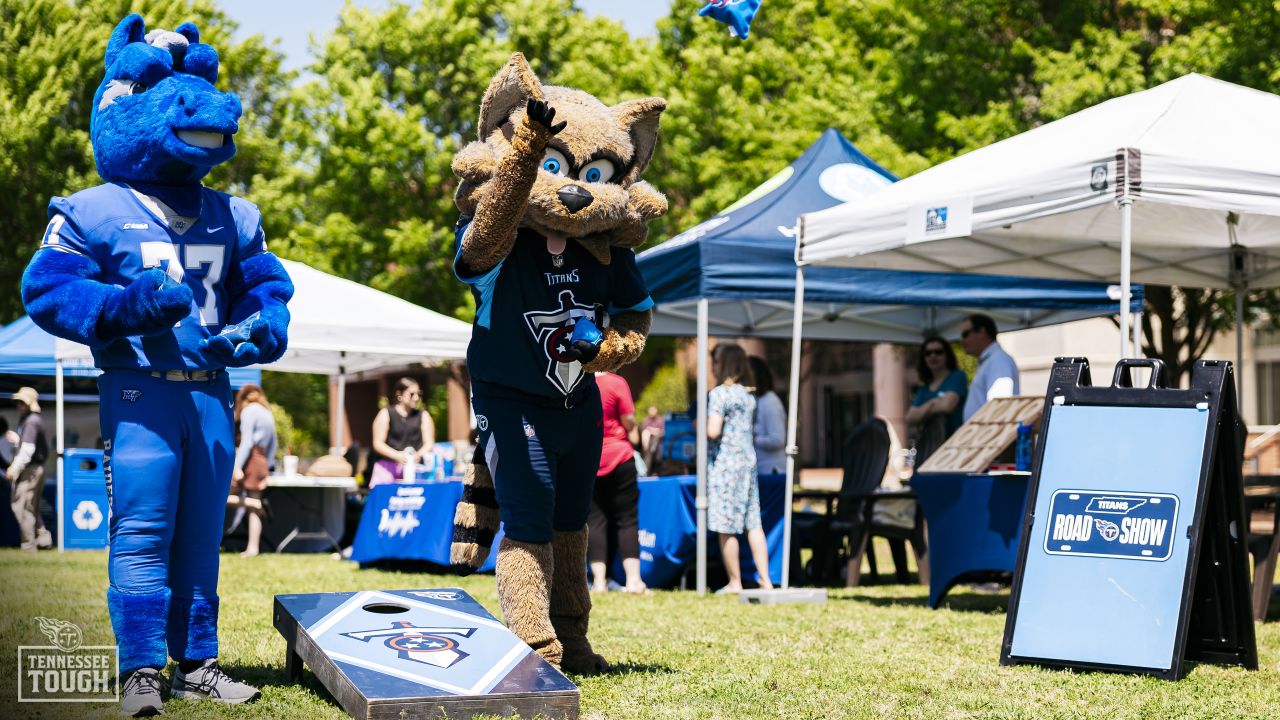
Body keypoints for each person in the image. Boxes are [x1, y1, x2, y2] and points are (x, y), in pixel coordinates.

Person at [707, 343, 773, 594]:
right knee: (753, 522)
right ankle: (764, 579)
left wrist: (699, 427)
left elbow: (713, 431)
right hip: (748, 463)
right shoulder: (749, 397)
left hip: (726, 464)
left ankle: (735, 582)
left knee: (726, 525)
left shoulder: (719, 395)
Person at [588, 372, 648, 595]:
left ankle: (599, 582)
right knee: (627, 519)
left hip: (590, 459)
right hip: (619, 457)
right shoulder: (616, 383)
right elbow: (629, 420)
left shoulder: (579, 382)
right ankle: (633, 581)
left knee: (595, 521)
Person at [905, 337, 969, 464]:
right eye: (928, 353)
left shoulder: (957, 376)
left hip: (954, 448)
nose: (933, 356)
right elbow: (910, 418)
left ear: (947, 355)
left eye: (938, 352)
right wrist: (932, 403)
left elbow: (947, 406)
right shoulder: (924, 388)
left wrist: (923, 411)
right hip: (929, 450)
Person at [231, 384, 277, 557]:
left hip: (250, 458)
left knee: (221, 496)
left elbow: (247, 442)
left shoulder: (249, 411)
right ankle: (253, 547)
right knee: (254, 506)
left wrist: (237, 466)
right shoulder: (267, 411)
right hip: (262, 458)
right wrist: (268, 466)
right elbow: (274, 443)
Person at [6, 387, 51, 551]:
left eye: (22, 402)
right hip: (35, 468)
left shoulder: (31, 421)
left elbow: (28, 450)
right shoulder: (33, 419)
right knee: (31, 507)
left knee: (22, 506)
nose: (19, 406)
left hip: (30, 469)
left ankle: (29, 546)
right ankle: (44, 539)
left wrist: (14, 468)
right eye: (18, 402)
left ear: (30, 403)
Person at [369, 378, 436, 486]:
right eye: (412, 394)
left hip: (415, 469)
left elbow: (429, 443)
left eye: (419, 394)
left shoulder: (423, 415)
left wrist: (418, 455)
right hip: (387, 469)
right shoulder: (386, 413)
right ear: (399, 394)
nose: (416, 398)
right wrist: (397, 456)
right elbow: (378, 443)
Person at [960, 313, 1020, 421]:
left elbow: (999, 407)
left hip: (988, 435)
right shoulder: (991, 360)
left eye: (965, 334)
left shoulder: (998, 360)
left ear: (982, 331)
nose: (962, 341)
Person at [747, 356, 787, 476]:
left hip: (772, 471)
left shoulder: (770, 402)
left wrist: (753, 439)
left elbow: (778, 440)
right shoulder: (756, 399)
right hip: (760, 470)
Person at [640, 405, 665, 472]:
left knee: (655, 441)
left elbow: (662, 432)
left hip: (658, 444)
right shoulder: (645, 420)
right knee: (648, 454)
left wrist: (653, 431)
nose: (652, 412)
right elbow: (644, 432)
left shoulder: (660, 420)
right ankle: (646, 471)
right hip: (648, 445)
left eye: (653, 410)